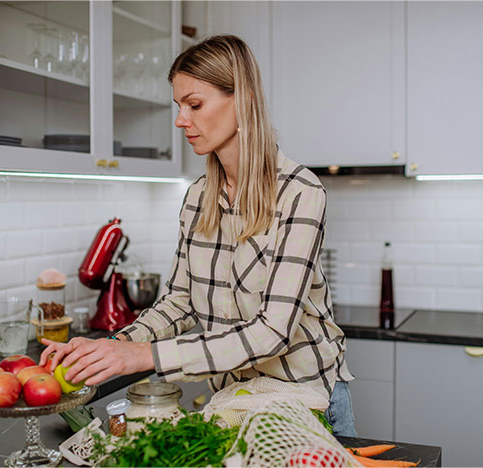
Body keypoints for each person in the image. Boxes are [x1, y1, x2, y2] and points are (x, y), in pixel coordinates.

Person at [40, 35, 356, 436]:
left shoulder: (299, 192)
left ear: (241, 100)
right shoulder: (197, 198)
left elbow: (273, 332)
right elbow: (179, 301)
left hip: (307, 406)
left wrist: (144, 356)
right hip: (235, 406)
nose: (180, 120)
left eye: (195, 104)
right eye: (178, 106)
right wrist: (113, 346)